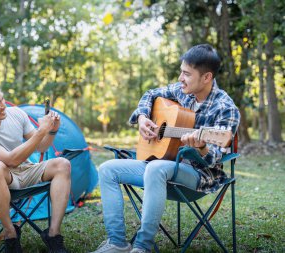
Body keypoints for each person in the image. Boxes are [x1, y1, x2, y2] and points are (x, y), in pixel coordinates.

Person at [91, 44, 240, 253]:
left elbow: (214, 159)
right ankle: (117, 243)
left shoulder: (225, 108)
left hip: (199, 175)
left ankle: (143, 246)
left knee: (156, 168)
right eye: (181, 71)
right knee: (107, 168)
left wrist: (202, 146)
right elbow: (150, 93)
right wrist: (142, 118)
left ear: (206, 77)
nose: (180, 78)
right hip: (165, 165)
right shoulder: (183, 91)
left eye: (186, 74)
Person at [0, 80, 71, 253]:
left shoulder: (16, 114)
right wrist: (41, 131)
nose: (3, 106)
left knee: (63, 164)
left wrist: (51, 131)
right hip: (3, 177)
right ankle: (11, 233)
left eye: (3, 100)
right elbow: (10, 160)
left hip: (27, 169)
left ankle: (53, 234)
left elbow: (41, 147)